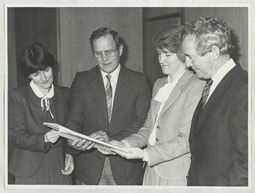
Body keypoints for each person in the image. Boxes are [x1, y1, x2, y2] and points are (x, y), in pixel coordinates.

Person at [107, 24, 205, 186]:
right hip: (151, 173)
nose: (161, 59)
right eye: (159, 54)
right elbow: (148, 129)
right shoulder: (159, 84)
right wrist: (124, 144)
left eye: (167, 54)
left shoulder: (195, 85)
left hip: (176, 176)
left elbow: (186, 140)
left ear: (184, 56)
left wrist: (145, 154)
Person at [65, 27, 151, 185]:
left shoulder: (138, 81)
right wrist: (75, 139)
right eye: (98, 53)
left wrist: (111, 140)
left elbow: (143, 122)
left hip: (126, 168)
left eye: (109, 51)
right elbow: (74, 119)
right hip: (89, 169)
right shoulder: (81, 80)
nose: (104, 58)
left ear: (120, 49)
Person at [182, 17, 248, 186]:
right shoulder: (211, 84)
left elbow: (249, 161)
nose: (187, 64)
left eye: (190, 57)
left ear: (214, 52)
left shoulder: (243, 89)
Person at [8, 43, 74, 184]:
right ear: (29, 76)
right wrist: (43, 138)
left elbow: (71, 128)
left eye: (46, 70)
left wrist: (70, 154)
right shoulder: (19, 96)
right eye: (36, 74)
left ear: (52, 67)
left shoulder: (64, 93)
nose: (44, 78)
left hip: (59, 164)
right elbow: (16, 136)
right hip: (28, 167)